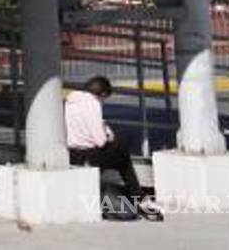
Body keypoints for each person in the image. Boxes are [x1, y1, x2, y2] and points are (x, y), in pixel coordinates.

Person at [67, 75, 162, 220]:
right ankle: (139, 198)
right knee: (123, 149)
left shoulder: (69, 102)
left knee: (120, 155)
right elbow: (100, 141)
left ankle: (135, 197)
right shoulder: (92, 104)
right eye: (104, 99)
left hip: (73, 154)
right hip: (89, 154)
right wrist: (109, 134)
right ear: (102, 94)